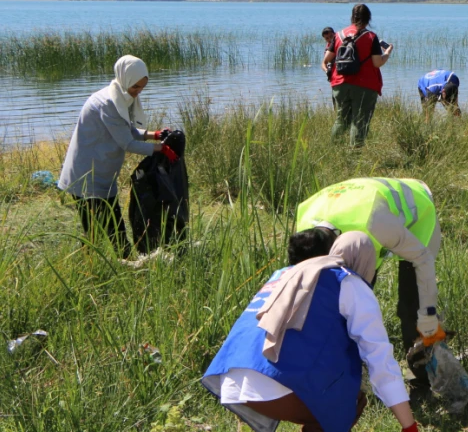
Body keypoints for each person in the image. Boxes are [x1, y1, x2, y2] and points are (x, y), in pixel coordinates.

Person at [202, 232, 418, 432]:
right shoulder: (349, 282)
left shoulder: (284, 273)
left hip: (230, 376)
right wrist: (409, 427)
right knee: (351, 401)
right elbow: (380, 361)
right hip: (271, 383)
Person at [294, 178, 446, 385]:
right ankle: (351, 375)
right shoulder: (304, 222)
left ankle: (424, 377)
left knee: (412, 305)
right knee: (347, 304)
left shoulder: (375, 222)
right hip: (362, 225)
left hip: (417, 214)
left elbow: (423, 258)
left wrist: (427, 313)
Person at [57, 55, 177, 257]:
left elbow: (126, 130)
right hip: (86, 175)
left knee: (110, 227)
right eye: (135, 87)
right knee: (101, 231)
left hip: (103, 173)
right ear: (125, 79)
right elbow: (127, 143)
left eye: (142, 87)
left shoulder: (121, 97)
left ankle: (118, 264)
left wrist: (152, 134)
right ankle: (101, 269)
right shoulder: (107, 103)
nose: (138, 92)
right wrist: (160, 149)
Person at [323, 5, 392, 147]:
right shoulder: (371, 37)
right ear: (368, 18)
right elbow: (377, 63)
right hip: (364, 85)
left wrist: (329, 73)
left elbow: (326, 60)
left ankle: (333, 150)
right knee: (359, 121)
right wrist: (387, 53)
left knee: (341, 119)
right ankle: (354, 155)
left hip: (339, 84)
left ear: (352, 17)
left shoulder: (339, 35)